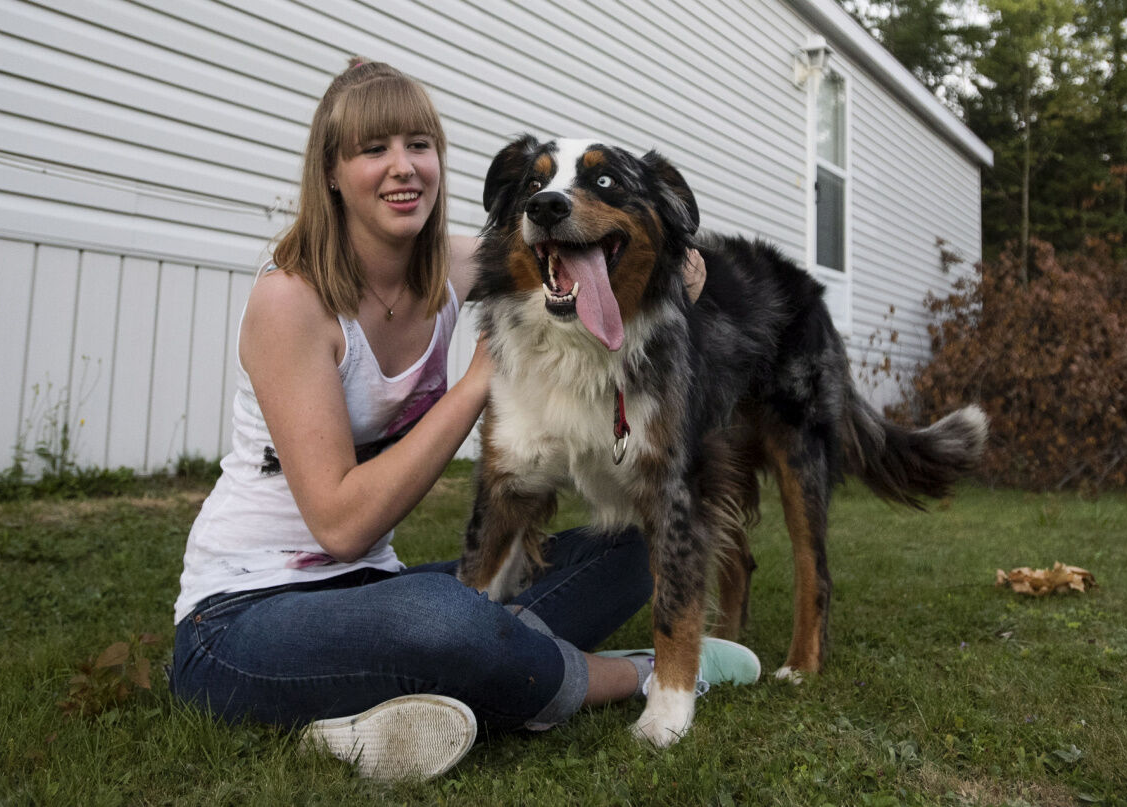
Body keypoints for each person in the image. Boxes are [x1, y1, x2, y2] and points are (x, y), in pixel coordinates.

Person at [169, 58, 757, 782]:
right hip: (242, 618)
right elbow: (341, 526)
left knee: (630, 551)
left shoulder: (450, 266)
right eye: (373, 149)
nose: (403, 167)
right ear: (329, 172)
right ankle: (628, 676)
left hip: (369, 588)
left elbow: (580, 243)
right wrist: (481, 377)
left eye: (419, 144)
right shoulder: (289, 303)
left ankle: (391, 702)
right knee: (444, 620)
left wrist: (680, 260)